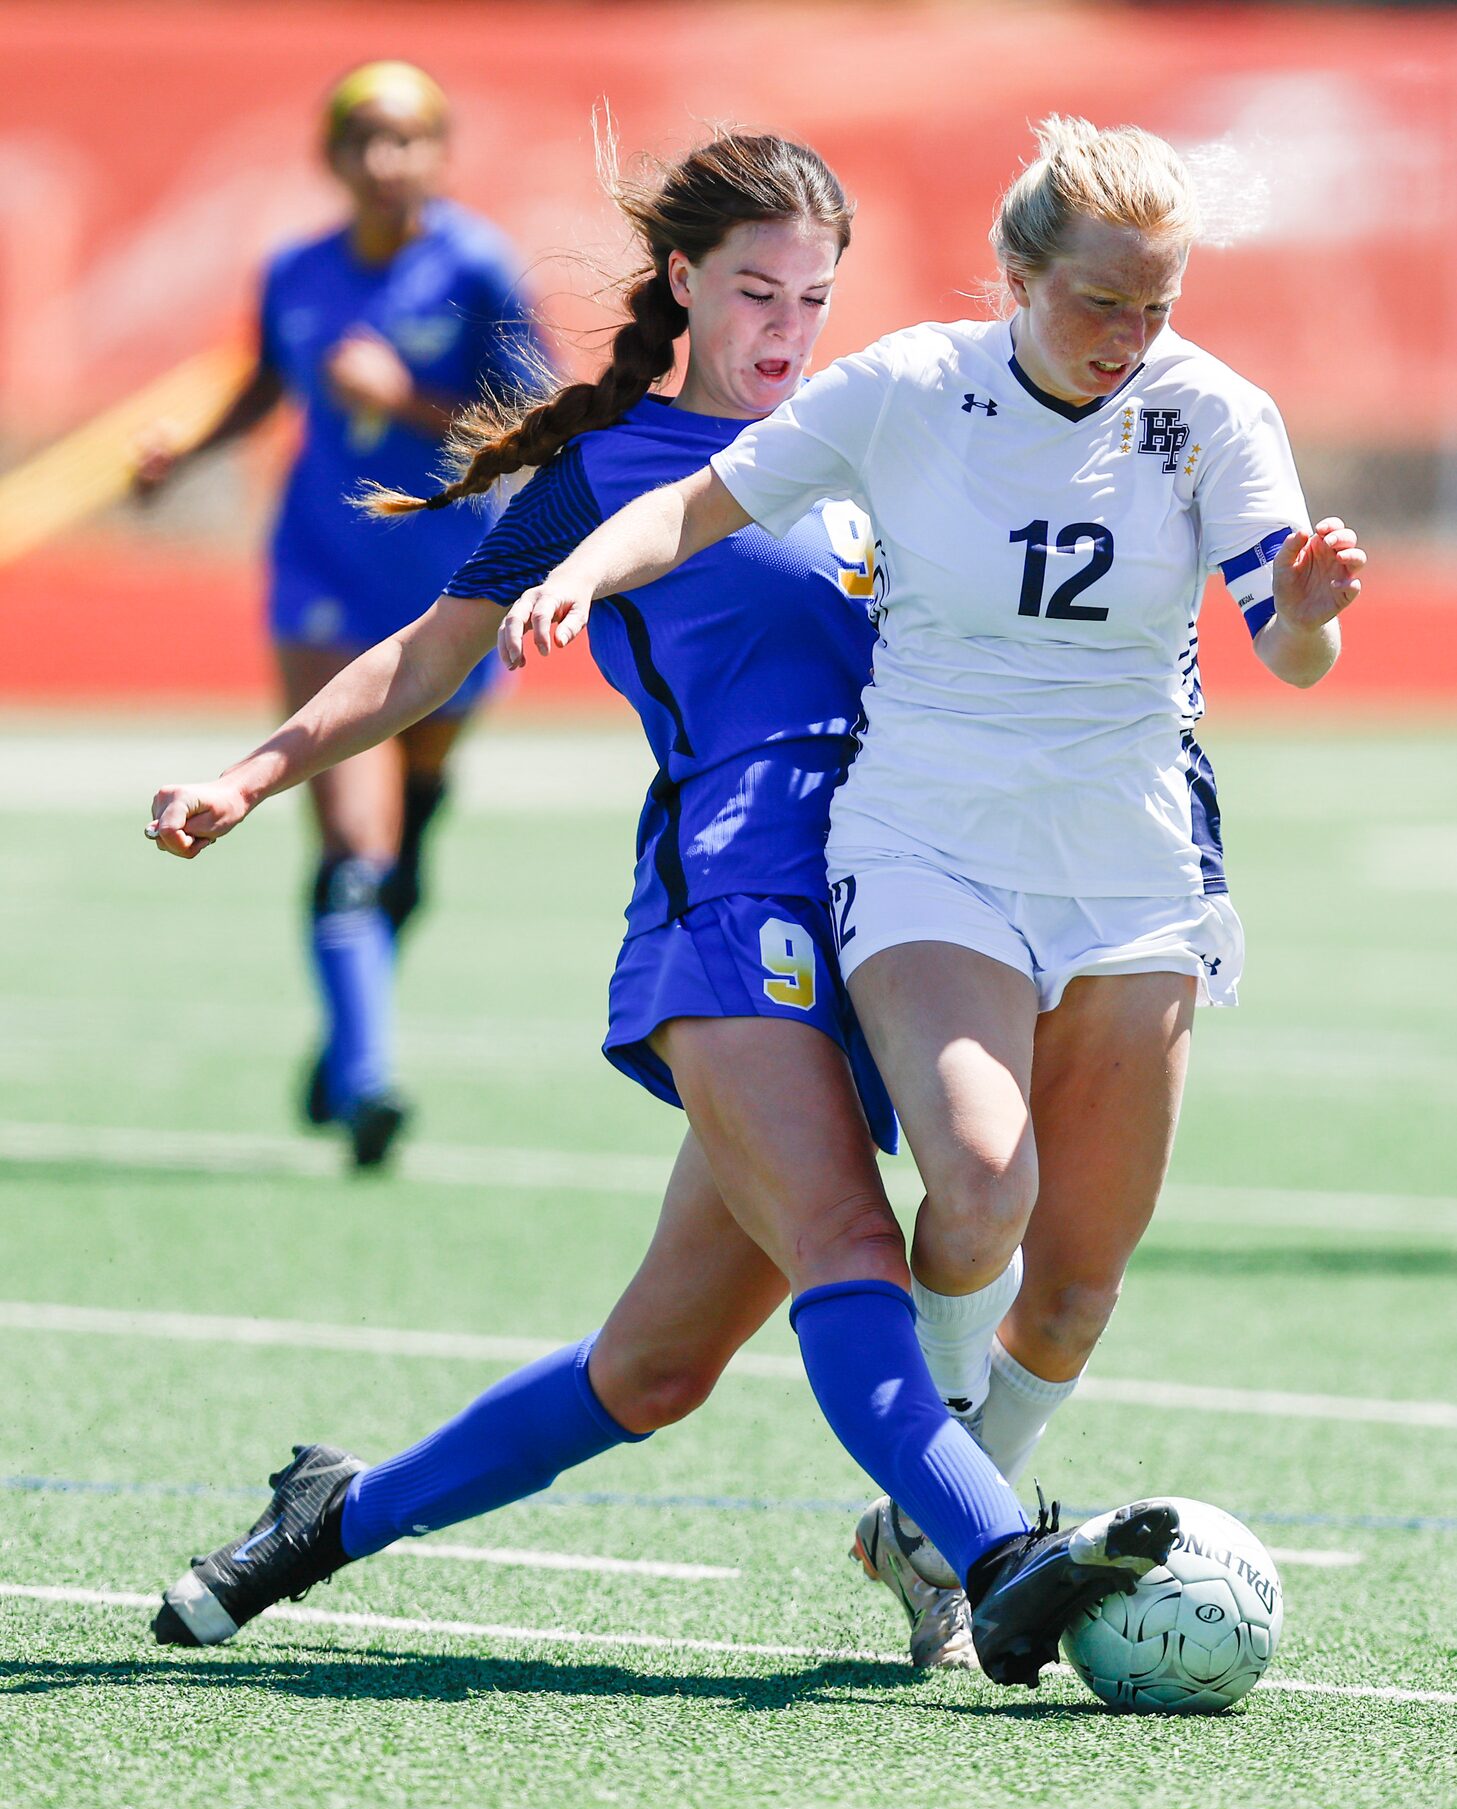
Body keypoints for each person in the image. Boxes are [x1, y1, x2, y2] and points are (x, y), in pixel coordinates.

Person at [145, 130, 1179, 1688]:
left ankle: (329, 1515)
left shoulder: (868, 438)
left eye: (815, 297)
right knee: (846, 1238)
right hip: (732, 889)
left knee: (653, 1368)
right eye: (757, 289)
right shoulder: (606, 472)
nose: (786, 326)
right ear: (683, 281)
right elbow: (428, 654)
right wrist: (258, 772)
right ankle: (998, 1548)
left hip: (901, 901)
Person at [490, 117, 1366, 1654]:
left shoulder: (1211, 411)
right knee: (975, 1184)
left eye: (1157, 306)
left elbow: (1289, 653)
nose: (1132, 338)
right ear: (1017, 277)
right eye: (1102, 302)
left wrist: (1303, 612)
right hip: (927, 841)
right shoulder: (906, 389)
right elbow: (699, 503)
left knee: (1075, 1293)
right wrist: (578, 570)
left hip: (1133, 862)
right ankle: (974, 1516)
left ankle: (927, 1532)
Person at [135, 61, 546, 1166]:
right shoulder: (295, 271)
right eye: (362, 139)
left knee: (407, 833)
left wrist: (405, 401)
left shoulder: (477, 268)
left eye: (406, 139)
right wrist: (193, 449)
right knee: (351, 837)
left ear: (437, 154)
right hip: (321, 568)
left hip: (451, 580)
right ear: (332, 156)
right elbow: (270, 385)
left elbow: (536, 422)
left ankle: (343, 1035)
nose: (383, 160)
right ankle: (368, 1078)